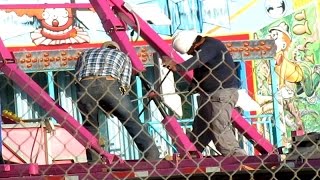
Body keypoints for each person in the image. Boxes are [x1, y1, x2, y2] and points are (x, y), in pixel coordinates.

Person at [162, 30, 247, 157]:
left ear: (193, 45)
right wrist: (194, 85)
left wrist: (178, 67)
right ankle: (192, 154)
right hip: (209, 95)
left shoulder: (210, 46)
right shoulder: (204, 50)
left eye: (190, 52)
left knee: (218, 126)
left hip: (221, 94)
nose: (191, 54)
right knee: (200, 127)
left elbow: (197, 60)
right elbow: (200, 69)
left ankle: (237, 157)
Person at [75, 41, 160, 162]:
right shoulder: (122, 56)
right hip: (109, 84)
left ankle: (94, 161)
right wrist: (116, 105)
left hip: (84, 87)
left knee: (90, 125)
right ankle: (152, 155)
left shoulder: (85, 54)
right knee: (131, 119)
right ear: (116, 49)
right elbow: (124, 84)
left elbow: (78, 76)